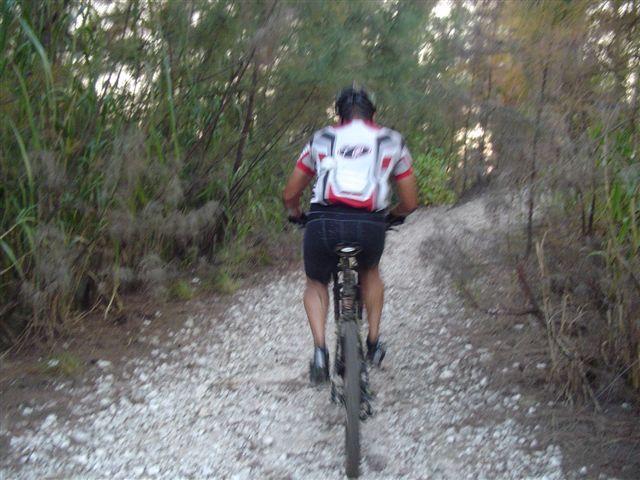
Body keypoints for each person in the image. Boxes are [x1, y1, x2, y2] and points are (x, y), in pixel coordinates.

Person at [282, 86, 418, 384]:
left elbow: (291, 192)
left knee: (316, 282)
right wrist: (394, 216)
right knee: (370, 271)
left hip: (323, 223)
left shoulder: (321, 139)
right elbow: (410, 201)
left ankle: (320, 351)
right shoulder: (392, 140)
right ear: (374, 113)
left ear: (338, 115)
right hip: (369, 226)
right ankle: (372, 342)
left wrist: (295, 213)